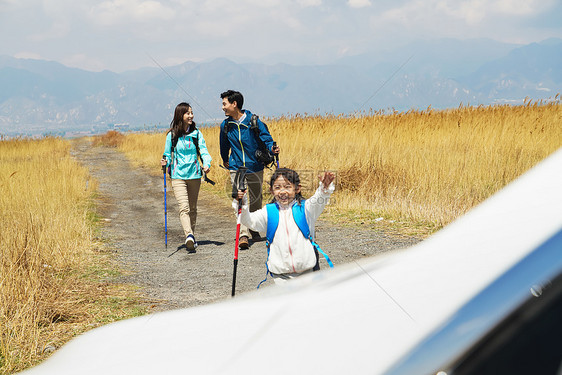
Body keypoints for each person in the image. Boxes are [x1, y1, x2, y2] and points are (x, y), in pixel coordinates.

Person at [235, 168, 335, 285]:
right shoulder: (268, 212)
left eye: (287, 187)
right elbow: (248, 221)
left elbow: (319, 199)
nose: (282, 191)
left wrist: (324, 188)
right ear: (271, 191)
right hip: (280, 276)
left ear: (297, 188)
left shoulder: (307, 208)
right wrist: (242, 203)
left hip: (308, 272)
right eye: (277, 188)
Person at [220, 90, 280, 250]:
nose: (222, 107)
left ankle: (254, 227)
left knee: (256, 200)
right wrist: (225, 159)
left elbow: (266, 138)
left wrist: (272, 149)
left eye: (224, 104)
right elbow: (223, 145)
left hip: (255, 165)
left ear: (234, 104)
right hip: (237, 167)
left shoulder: (253, 121)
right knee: (240, 199)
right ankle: (243, 234)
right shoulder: (226, 125)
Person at [161, 102, 211, 251]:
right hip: (178, 176)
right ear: (180, 115)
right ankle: (188, 235)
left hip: (194, 175)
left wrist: (207, 164)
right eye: (188, 113)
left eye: (192, 112)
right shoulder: (172, 135)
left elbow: (203, 151)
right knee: (184, 208)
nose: (191, 115)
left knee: (193, 208)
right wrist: (164, 161)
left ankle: (192, 237)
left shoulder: (196, 134)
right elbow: (167, 154)